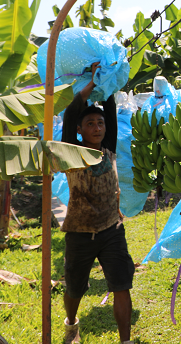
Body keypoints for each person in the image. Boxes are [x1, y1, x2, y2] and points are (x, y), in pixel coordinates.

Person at [60, 63, 135, 344]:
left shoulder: (109, 148)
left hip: (111, 229)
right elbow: (70, 114)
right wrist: (91, 83)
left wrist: (107, 79)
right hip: (79, 232)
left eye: (100, 123)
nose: (97, 127)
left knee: (121, 284)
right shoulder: (72, 151)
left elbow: (111, 109)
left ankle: (125, 340)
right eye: (90, 123)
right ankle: (71, 322)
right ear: (79, 130)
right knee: (75, 288)